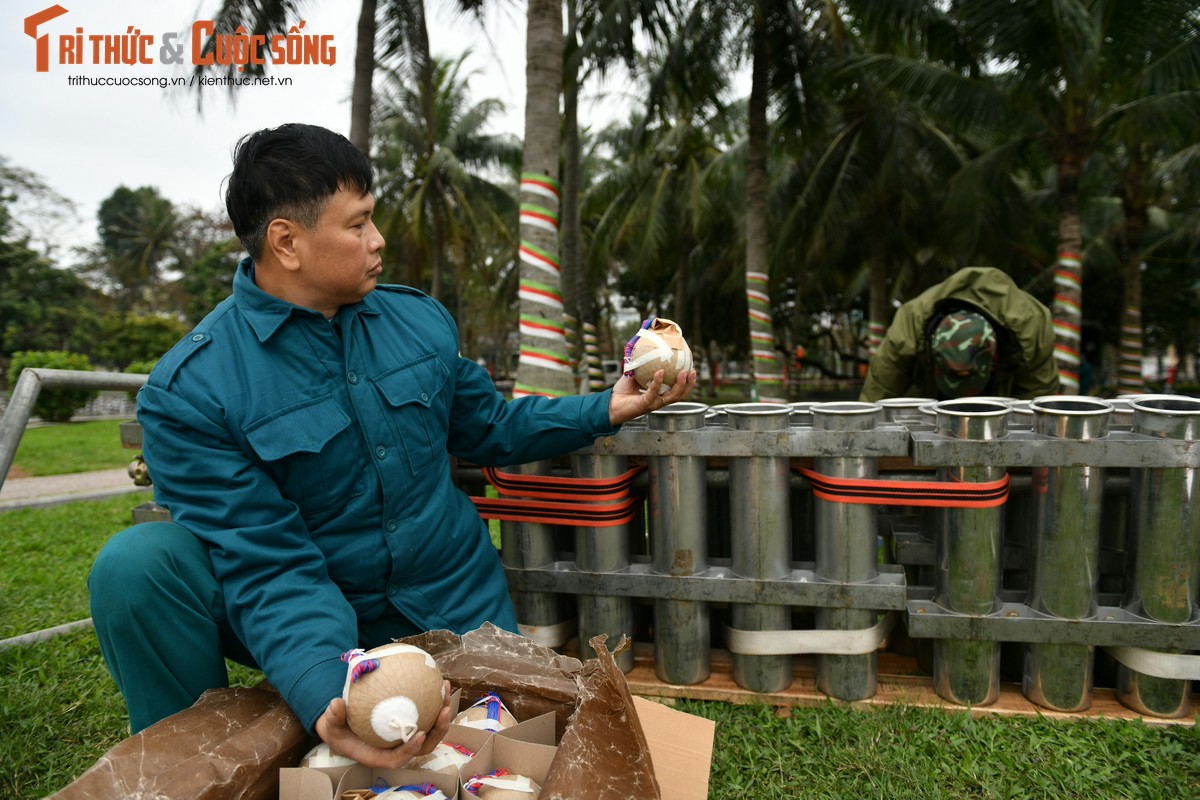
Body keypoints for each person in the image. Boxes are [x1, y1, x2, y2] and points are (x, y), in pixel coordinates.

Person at [87, 123, 696, 768]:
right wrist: (336, 691)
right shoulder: (192, 389)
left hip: (450, 597)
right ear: (287, 242)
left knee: (495, 762)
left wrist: (605, 406)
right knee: (138, 566)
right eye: (358, 225)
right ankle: (182, 764)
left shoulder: (418, 321)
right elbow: (267, 563)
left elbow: (486, 424)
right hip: (315, 609)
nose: (378, 242)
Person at [859, 266, 1060, 402]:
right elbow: (874, 403)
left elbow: (1037, 413)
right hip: (929, 409)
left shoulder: (1032, 333)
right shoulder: (908, 330)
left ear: (995, 359)